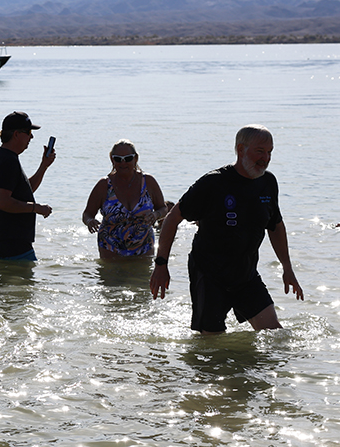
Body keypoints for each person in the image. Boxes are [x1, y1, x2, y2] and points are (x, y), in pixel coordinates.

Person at [149, 125, 303, 333]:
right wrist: (161, 264)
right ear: (241, 149)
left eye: (270, 152)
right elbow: (172, 218)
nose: (266, 158)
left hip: (246, 274)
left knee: (276, 335)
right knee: (211, 345)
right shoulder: (213, 183)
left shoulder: (268, 183)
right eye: (260, 151)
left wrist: (287, 268)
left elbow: (275, 226)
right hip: (209, 274)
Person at [0, 111, 56, 261]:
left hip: (2, 240)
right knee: (25, 284)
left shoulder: (3, 156)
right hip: (12, 243)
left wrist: (44, 166)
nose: (31, 137)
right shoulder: (8, 161)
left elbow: (23, 191)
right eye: (28, 132)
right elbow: (2, 202)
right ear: (16, 134)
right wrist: (36, 208)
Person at [82, 140, 168, 259]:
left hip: (144, 245)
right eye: (118, 159)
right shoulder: (104, 185)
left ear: (136, 158)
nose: (123, 163)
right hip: (110, 246)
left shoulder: (148, 182)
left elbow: (163, 208)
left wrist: (156, 215)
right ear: (112, 160)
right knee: (111, 277)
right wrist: (90, 221)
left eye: (128, 158)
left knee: (142, 278)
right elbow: (87, 214)